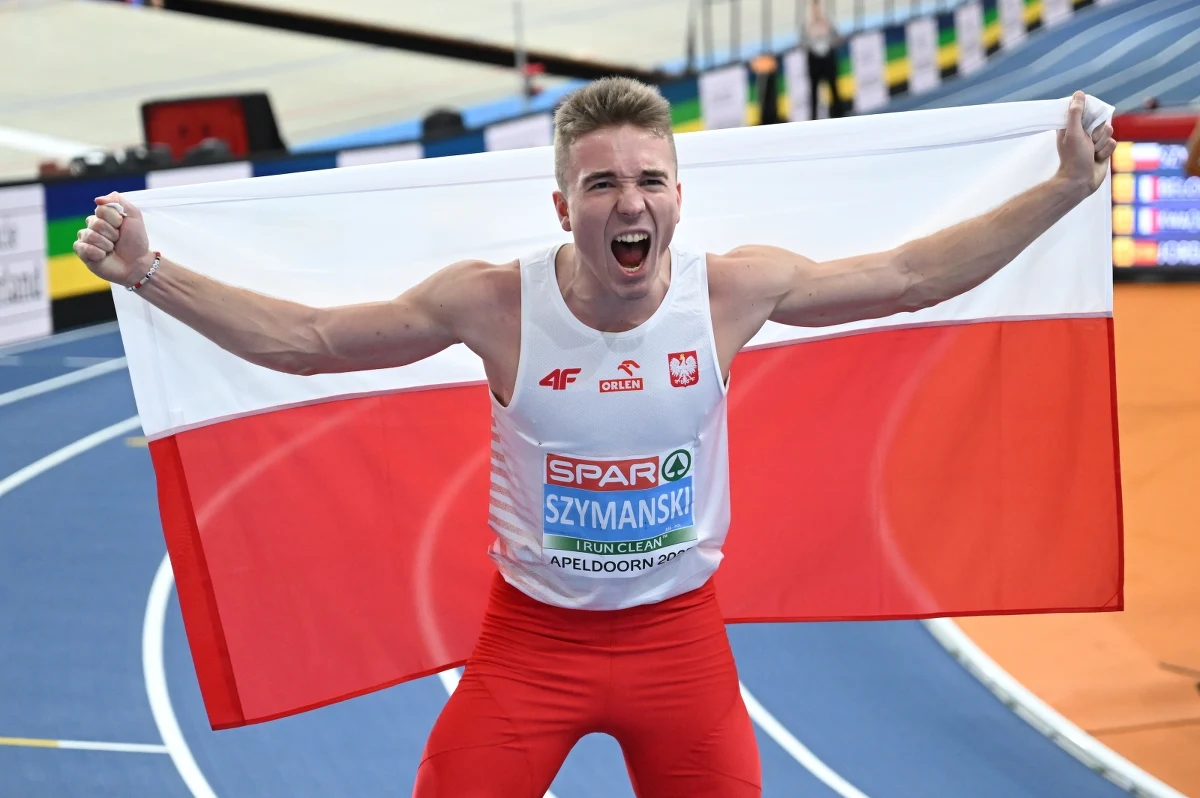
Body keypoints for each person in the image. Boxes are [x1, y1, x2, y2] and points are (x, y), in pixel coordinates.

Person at [74, 78, 1115, 797]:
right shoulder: (493, 304)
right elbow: (306, 342)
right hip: (531, 647)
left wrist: (1067, 187)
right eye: (605, 184)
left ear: (676, 197)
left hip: (682, 649)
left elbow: (911, 277)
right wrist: (151, 276)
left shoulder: (734, 290)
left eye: (650, 181)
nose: (631, 202)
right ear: (564, 204)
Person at [803, 0, 844, 120]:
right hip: (814, 61)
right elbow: (802, 44)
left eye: (818, 7)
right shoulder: (806, 25)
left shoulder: (828, 23)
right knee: (814, 93)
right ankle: (813, 118)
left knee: (834, 89)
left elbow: (838, 39)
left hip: (828, 59)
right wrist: (813, 40)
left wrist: (827, 38)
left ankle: (839, 115)